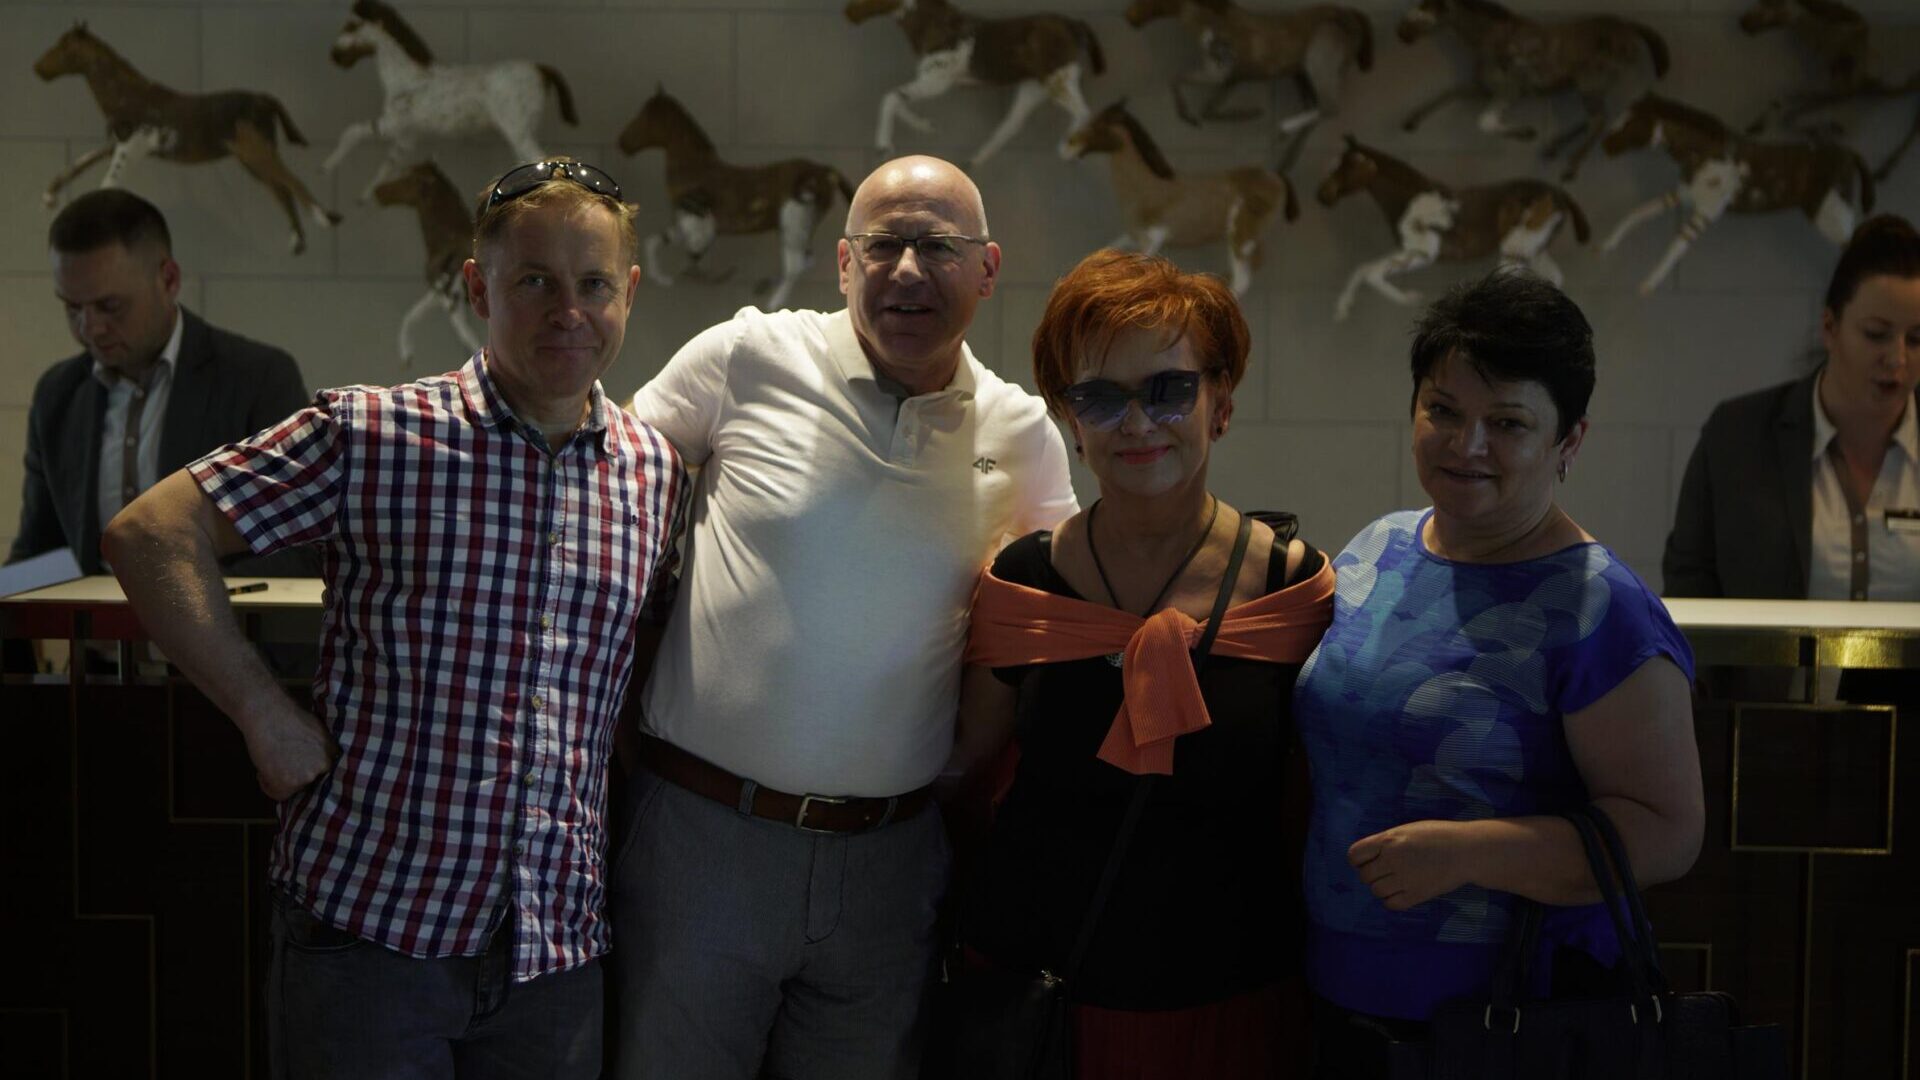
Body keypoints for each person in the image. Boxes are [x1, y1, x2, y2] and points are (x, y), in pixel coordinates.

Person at [101, 159, 686, 1078]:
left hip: (553, 952)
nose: (568, 311)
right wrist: (262, 713)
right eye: (535, 282)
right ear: (477, 287)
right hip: (372, 937)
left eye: (594, 285)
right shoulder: (373, 434)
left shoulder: (655, 473)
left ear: (630, 292)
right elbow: (150, 533)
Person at [613, 155, 1078, 1080]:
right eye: (884, 245)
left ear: (987, 269)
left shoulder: (1022, 433)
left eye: (938, 247)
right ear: (842, 262)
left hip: (891, 864)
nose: (908, 270)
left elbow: (1055, 621)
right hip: (702, 840)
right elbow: (604, 494)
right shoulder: (747, 356)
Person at [1290, 269, 1705, 1078]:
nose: (1466, 444)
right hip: (1339, 997)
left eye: (1507, 423)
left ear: (1568, 442)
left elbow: (1667, 831)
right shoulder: (1378, 548)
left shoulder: (1600, 607)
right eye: (1443, 410)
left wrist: (1471, 853)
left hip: (1511, 1020)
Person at [957, 249, 1334, 1078]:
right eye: (1100, 397)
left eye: (1169, 390)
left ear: (1221, 403)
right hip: (1043, 1000)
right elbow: (963, 777)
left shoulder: (1290, 589)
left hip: (1234, 999)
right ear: (1068, 418)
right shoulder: (1024, 584)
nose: (1136, 423)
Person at [11, 188, 311, 577]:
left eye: (110, 306)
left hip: (224, 615)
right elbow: (38, 553)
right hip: (93, 619)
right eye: (72, 308)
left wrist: (183, 601)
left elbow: (300, 547)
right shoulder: (58, 394)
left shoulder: (259, 378)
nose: (90, 328)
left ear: (168, 280)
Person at [1664, 214, 1920, 600]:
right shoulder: (1737, 437)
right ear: (1830, 327)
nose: (1897, 359)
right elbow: (1689, 587)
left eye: (1916, 339)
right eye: (1876, 334)